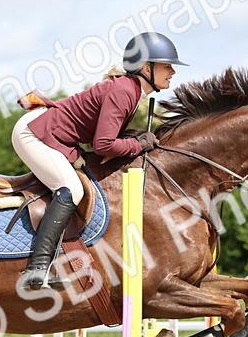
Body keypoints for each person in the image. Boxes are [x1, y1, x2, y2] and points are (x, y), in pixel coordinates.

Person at [12, 31, 187, 290]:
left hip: (49, 133)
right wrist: (138, 144)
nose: (172, 71)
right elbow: (103, 145)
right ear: (145, 67)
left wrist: (135, 142)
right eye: (166, 65)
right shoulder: (124, 92)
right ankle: (36, 269)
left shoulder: (131, 91)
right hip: (35, 133)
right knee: (70, 189)